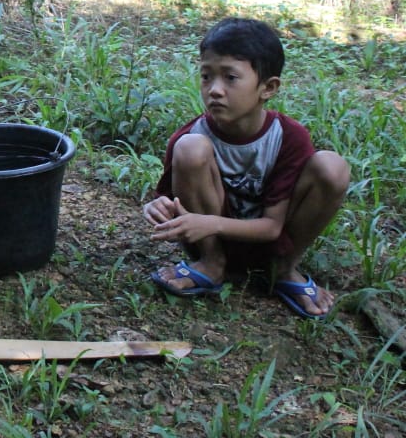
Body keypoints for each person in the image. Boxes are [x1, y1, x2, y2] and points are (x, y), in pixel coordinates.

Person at [143, 17, 348, 318]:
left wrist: (210, 222)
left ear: (268, 87)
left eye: (230, 78)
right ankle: (212, 265)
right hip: (211, 240)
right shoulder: (192, 135)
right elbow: (173, 205)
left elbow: (272, 227)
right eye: (206, 76)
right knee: (190, 147)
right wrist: (158, 208)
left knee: (333, 166)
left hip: (269, 242)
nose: (214, 89)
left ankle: (284, 270)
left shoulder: (288, 138)